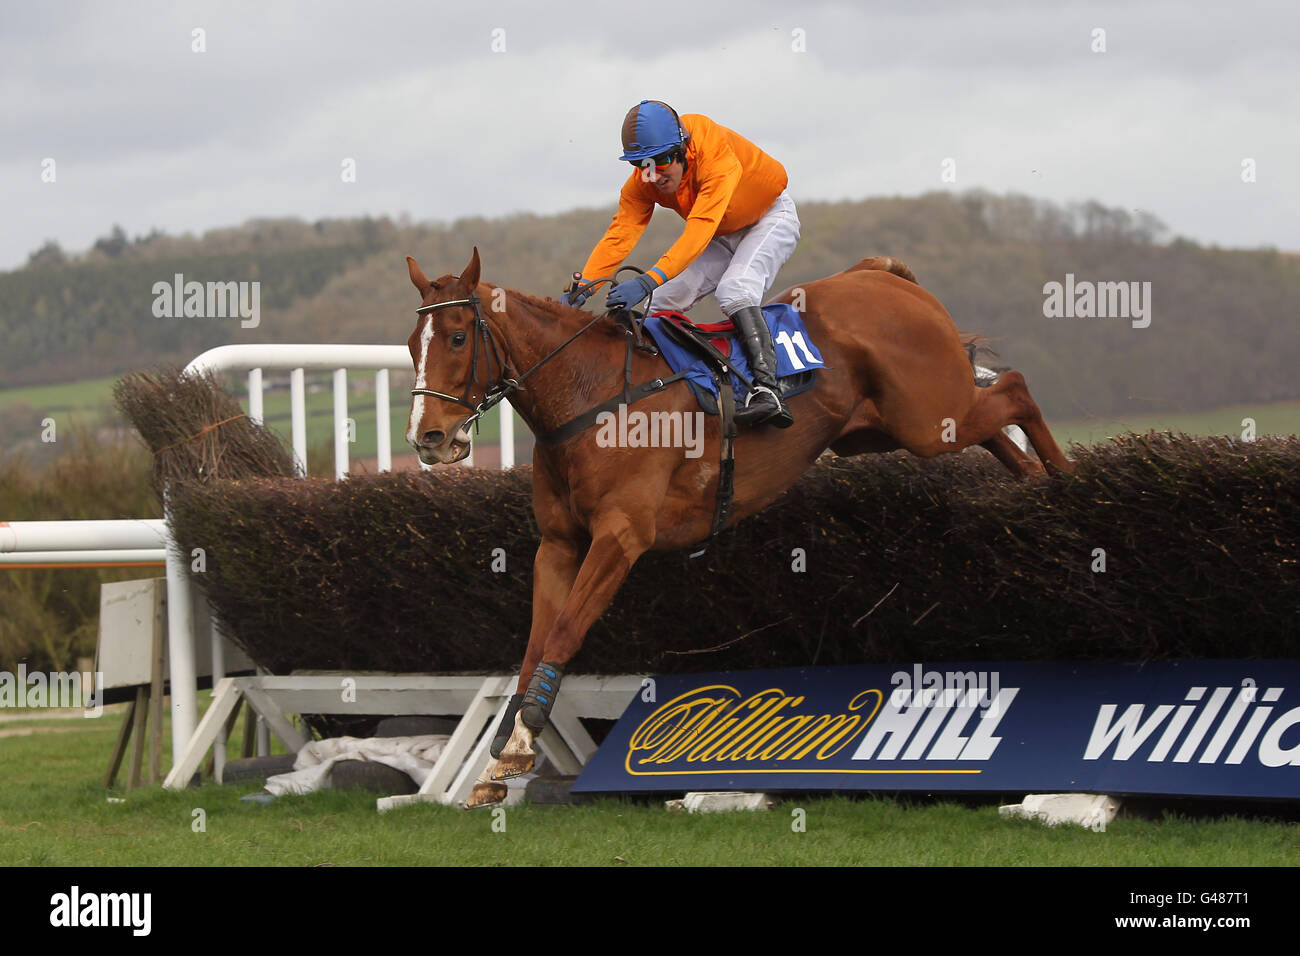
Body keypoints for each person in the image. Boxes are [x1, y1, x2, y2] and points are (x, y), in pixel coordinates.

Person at [564, 100, 800, 428]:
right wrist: (586, 285)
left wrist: (649, 277)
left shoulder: (715, 154)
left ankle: (768, 389)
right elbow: (622, 232)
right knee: (652, 303)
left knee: (735, 288)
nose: (654, 174)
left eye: (661, 161)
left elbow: (699, 229)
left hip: (769, 219)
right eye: (642, 163)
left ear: (682, 148)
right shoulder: (644, 178)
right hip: (720, 233)